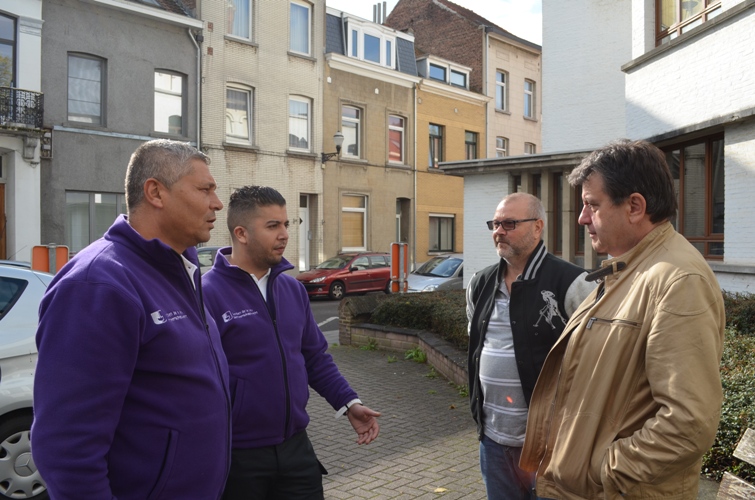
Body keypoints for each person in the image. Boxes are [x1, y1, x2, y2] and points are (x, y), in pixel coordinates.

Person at [520, 140, 726, 499]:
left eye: (592, 205)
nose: (582, 218)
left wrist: (605, 470)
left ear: (634, 207)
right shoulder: (629, 270)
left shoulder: (678, 280)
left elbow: (689, 422)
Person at [32, 139, 231, 499]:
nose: (217, 203)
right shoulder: (98, 284)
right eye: (205, 190)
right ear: (155, 192)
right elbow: (68, 448)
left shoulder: (180, 267)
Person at [202, 185, 381, 500]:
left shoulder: (292, 290)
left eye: (286, 224)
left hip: (296, 449)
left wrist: (348, 403)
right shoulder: (206, 294)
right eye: (273, 226)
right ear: (241, 233)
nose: (284, 234)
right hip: (237, 456)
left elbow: (315, 358)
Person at [466, 192, 595, 500]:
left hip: (553, 447)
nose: (499, 231)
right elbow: (476, 346)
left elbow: (595, 363)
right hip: (493, 443)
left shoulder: (574, 283)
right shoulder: (479, 283)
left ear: (538, 227)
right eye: (495, 224)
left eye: (509, 224)